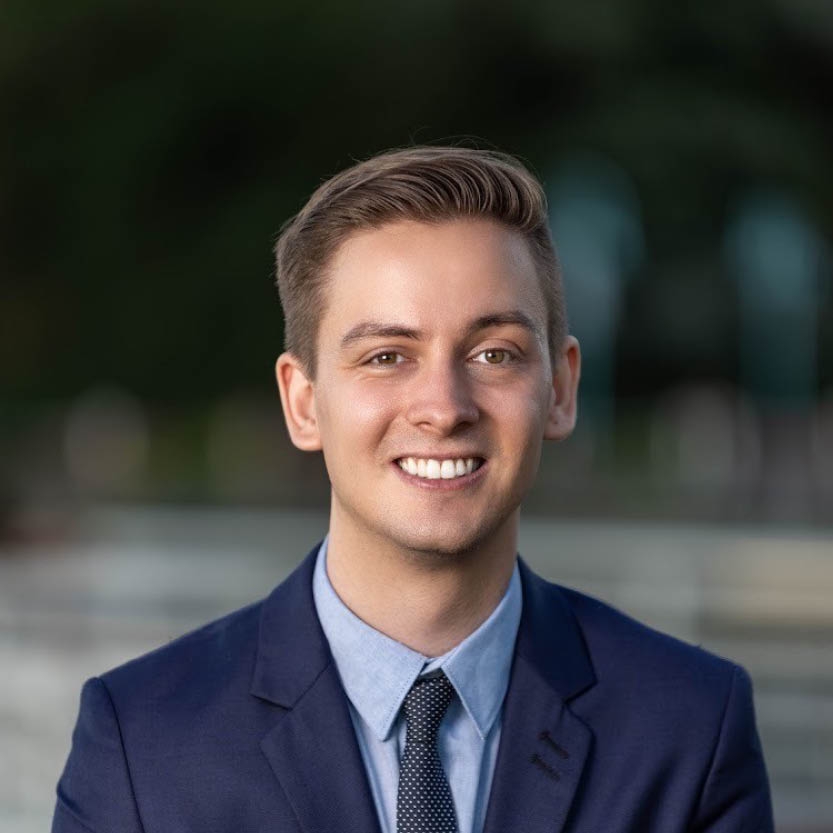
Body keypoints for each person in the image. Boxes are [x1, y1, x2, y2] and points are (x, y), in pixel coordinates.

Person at [53, 146, 774, 833]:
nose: (443, 405)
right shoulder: (142, 740)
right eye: (387, 355)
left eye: (494, 353)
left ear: (560, 389)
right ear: (303, 401)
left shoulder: (687, 726)